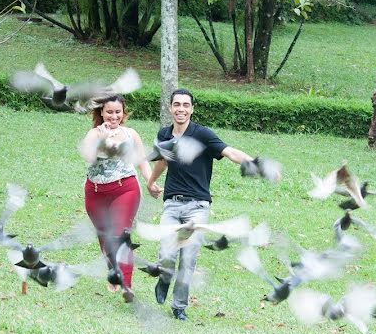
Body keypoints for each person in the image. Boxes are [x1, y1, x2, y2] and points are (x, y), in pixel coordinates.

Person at [146, 88, 254, 321]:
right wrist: (151, 181)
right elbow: (164, 161)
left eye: (186, 105)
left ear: (192, 109)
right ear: (170, 108)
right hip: (172, 205)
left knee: (188, 257)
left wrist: (255, 163)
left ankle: (179, 307)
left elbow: (230, 152)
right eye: (177, 104)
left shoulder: (202, 134)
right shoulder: (165, 134)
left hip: (198, 207)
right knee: (167, 252)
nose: (181, 109)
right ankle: (164, 278)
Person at [79, 95, 158, 303]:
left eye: (118, 112)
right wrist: (103, 141)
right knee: (105, 236)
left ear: (123, 113)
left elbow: (141, 161)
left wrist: (150, 181)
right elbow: (88, 157)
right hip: (95, 193)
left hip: (125, 189)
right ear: (102, 112)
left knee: (120, 234)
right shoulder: (93, 134)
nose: (114, 116)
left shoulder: (131, 134)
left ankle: (127, 285)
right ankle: (113, 270)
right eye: (109, 112)